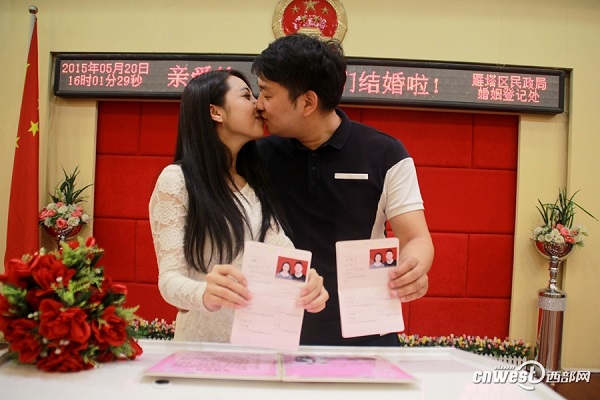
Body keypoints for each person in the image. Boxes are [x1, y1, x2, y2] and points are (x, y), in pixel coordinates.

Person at [252, 34, 434, 346]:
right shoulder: (257, 157)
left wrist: (413, 268)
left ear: (307, 102)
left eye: (267, 94)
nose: (258, 104)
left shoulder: (386, 154)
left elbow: (416, 237)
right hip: (281, 332)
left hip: (368, 332)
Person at [149, 70, 328, 342]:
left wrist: (308, 280)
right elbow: (169, 280)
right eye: (247, 96)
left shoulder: (255, 182)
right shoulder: (176, 180)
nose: (258, 104)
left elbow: (281, 250)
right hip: (202, 348)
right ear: (215, 112)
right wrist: (204, 293)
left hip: (260, 345)